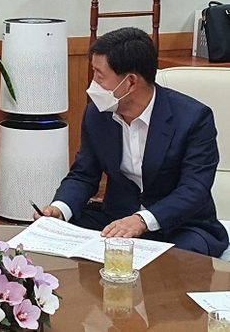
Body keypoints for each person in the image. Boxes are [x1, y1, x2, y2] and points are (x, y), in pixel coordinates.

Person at [36, 27, 228, 257]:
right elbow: (83, 175)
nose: (93, 83)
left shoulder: (193, 118)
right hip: (116, 219)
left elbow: (194, 189)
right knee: (54, 240)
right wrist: (60, 209)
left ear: (131, 82)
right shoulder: (97, 115)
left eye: (99, 75)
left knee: (175, 263)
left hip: (180, 225)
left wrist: (142, 220)